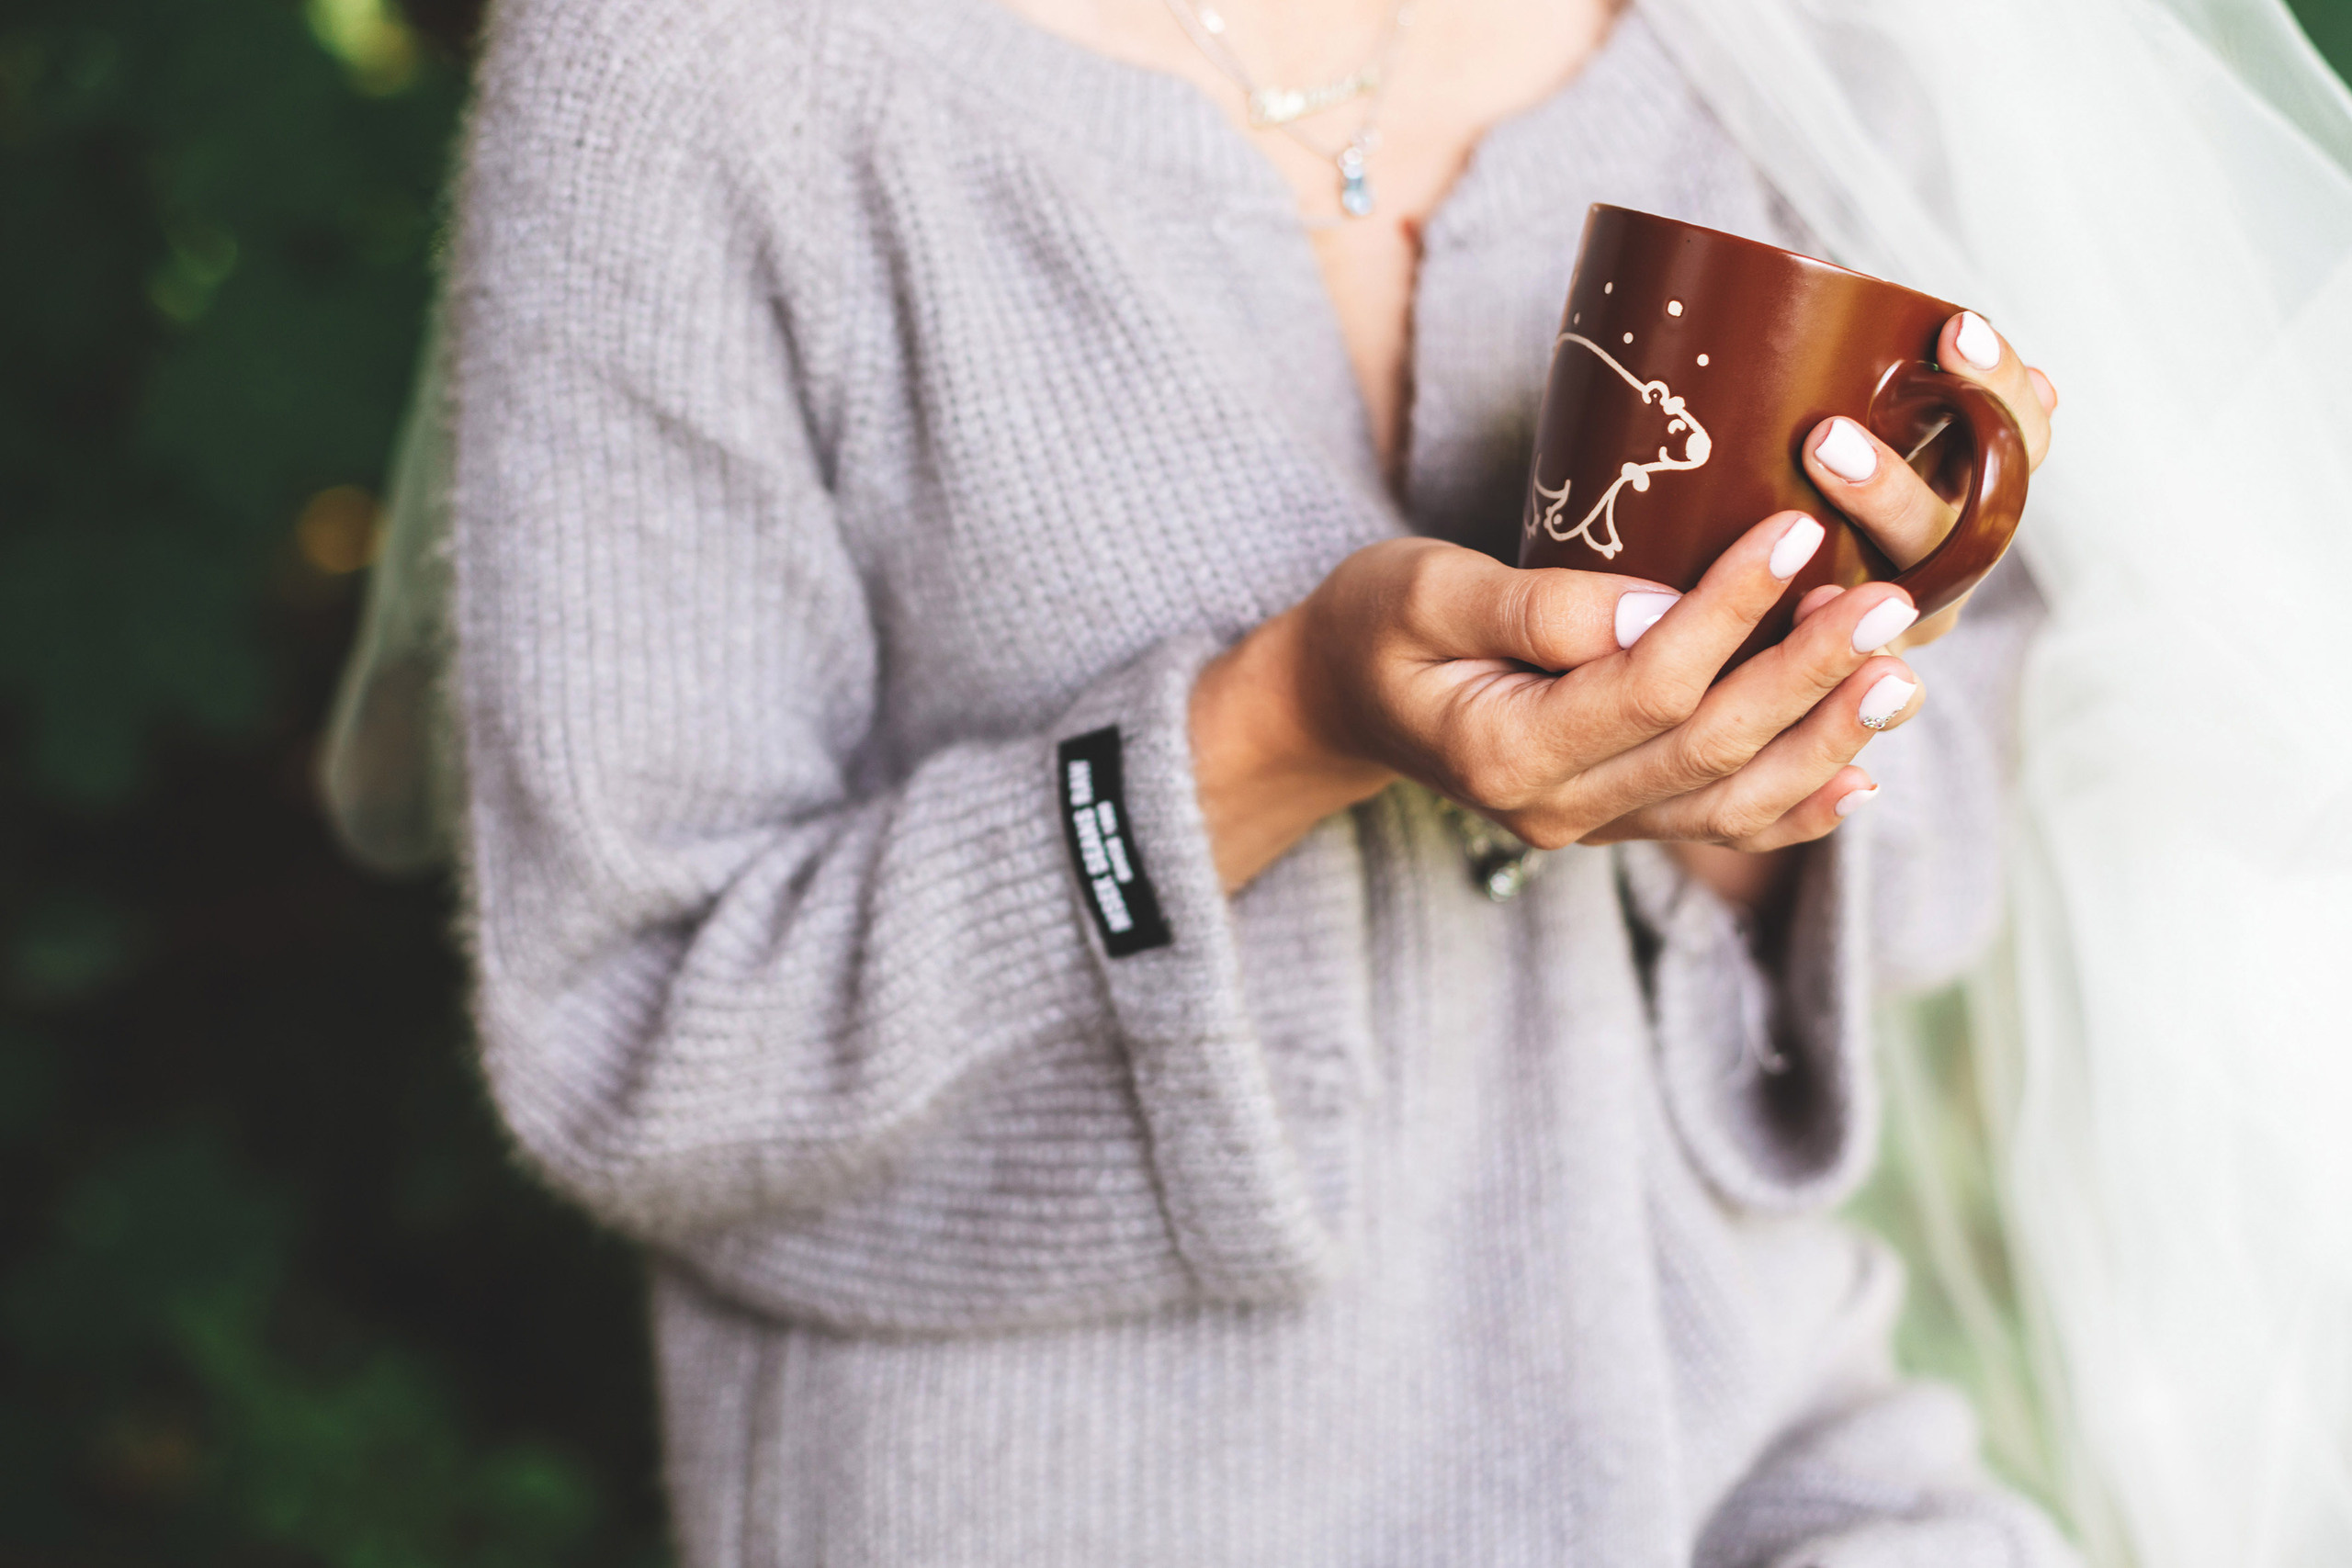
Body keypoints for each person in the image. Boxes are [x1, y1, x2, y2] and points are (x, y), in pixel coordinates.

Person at [420, 0, 2086, 1560]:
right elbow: (638, 1048)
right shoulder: (699, 69)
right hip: (1066, 1508)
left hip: (1736, 1460)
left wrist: (1746, 771)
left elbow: (1925, 883)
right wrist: (1279, 724)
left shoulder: (1785, 47)